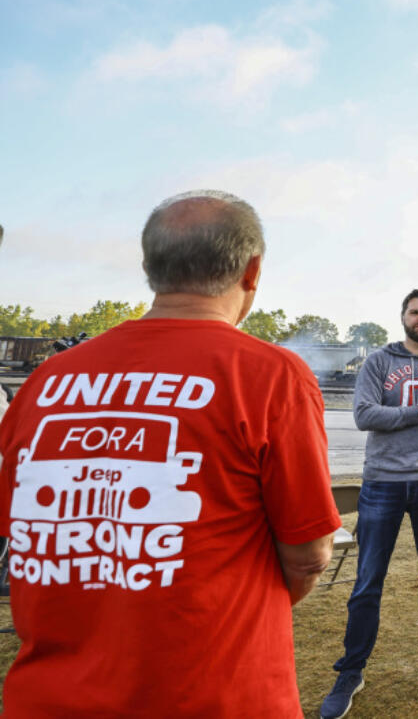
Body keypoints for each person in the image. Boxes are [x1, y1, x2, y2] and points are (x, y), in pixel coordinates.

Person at [0, 189, 339, 717]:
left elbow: (30, 536)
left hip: (48, 699)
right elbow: (310, 554)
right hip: (214, 695)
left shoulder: (48, 381)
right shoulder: (270, 376)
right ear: (252, 271)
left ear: (148, 266)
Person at [321, 289, 418, 719]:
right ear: (404, 317)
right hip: (383, 483)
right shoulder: (378, 361)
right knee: (368, 581)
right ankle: (351, 670)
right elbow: (365, 416)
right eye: (415, 311)